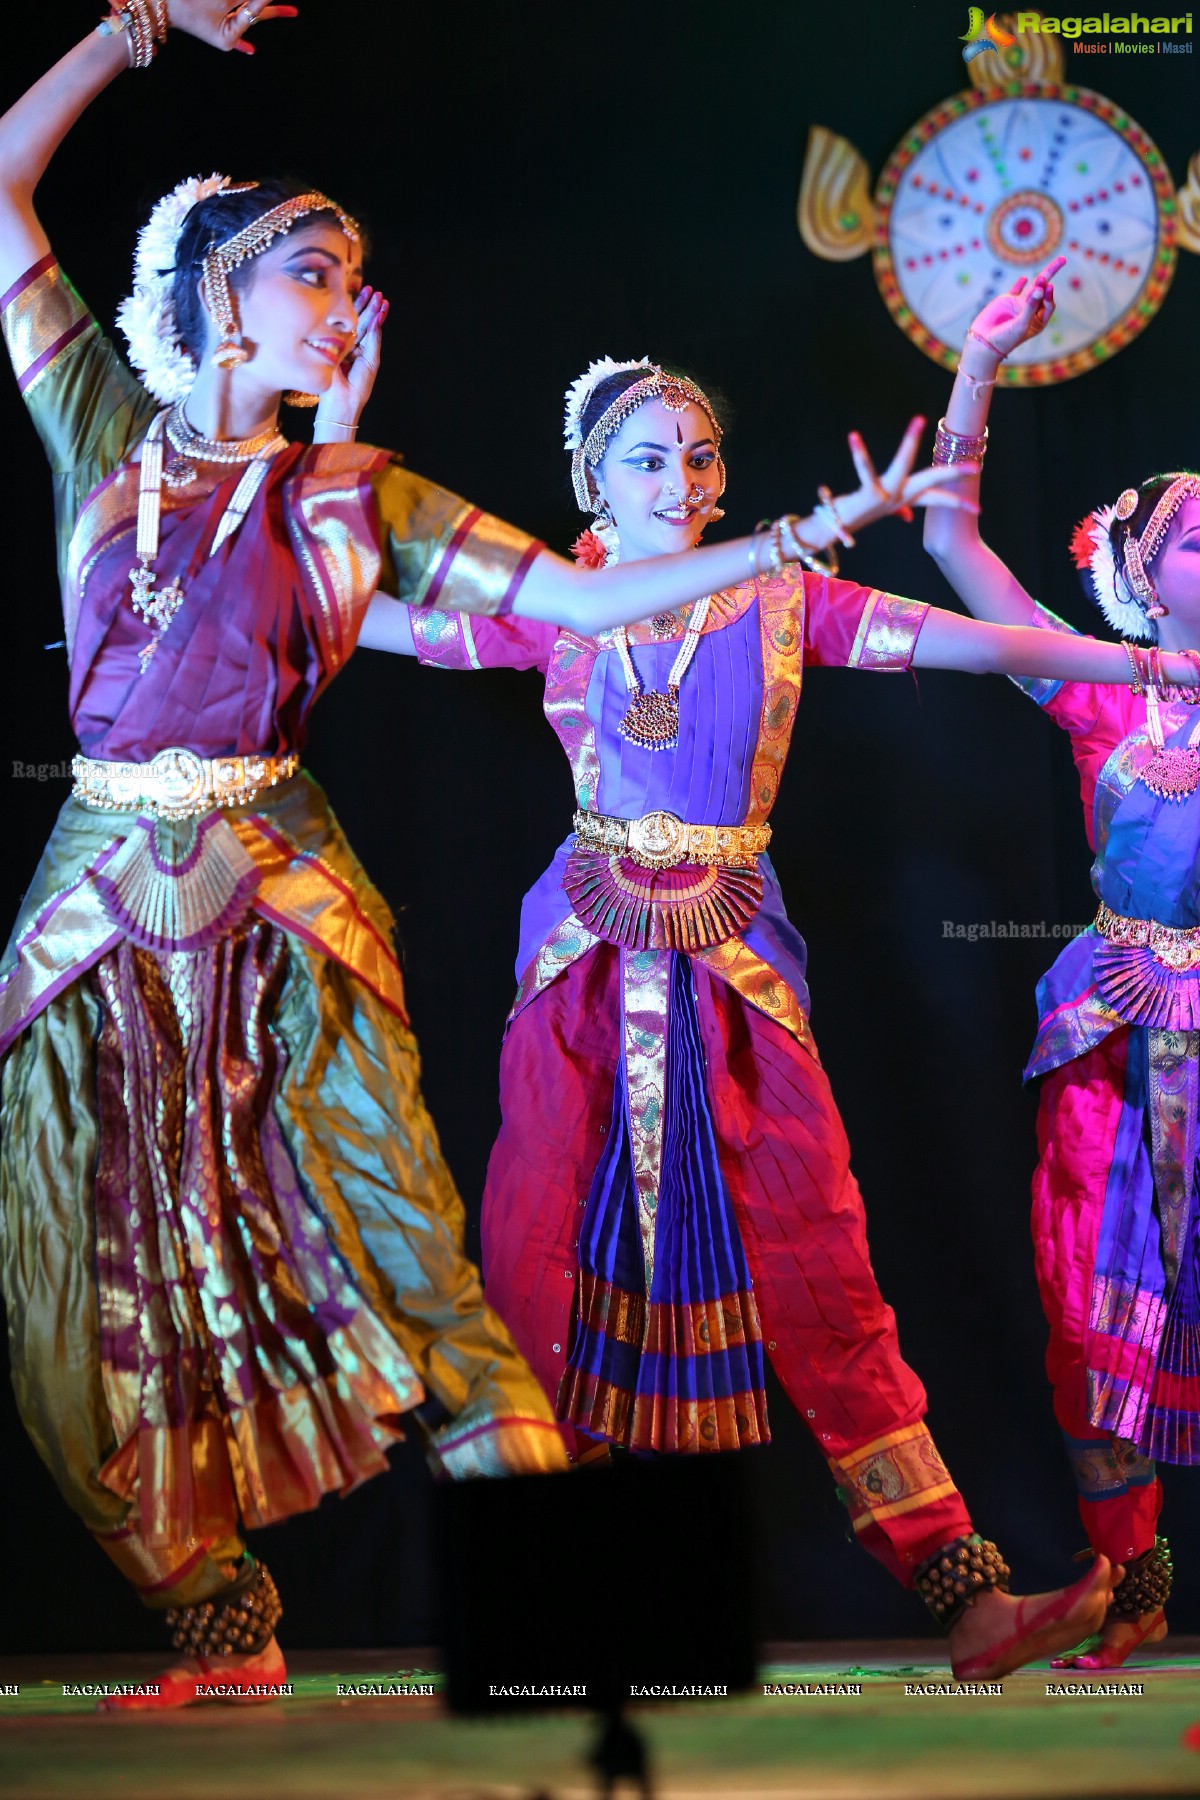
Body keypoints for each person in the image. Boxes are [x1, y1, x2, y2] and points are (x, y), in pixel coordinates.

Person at [0, 2, 928, 1708]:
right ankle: (221, 1620)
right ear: (218, 292)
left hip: (282, 885)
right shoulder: (92, 425)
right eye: (318, 273)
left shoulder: (356, 492)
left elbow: (578, 596)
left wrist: (787, 544)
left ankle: (580, 1642)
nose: (350, 305)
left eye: (354, 280)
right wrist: (133, 27)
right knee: (65, 1289)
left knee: (427, 1257)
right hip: (90, 900)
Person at [353, 327, 1199, 1676]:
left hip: (740, 971)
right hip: (579, 969)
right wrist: (270, 545)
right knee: (532, 1271)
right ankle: (539, 1614)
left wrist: (1152, 672)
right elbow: (383, 623)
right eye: (647, 457)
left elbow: (971, 643)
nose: (680, 477)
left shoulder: (786, 600)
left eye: (699, 455)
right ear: (592, 478)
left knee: (823, 1267)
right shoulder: (551, 603)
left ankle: (965, 1591)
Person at [925, 255, 1187, 1668]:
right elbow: (958, 554)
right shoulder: (1107, 692)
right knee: (1089, 1301)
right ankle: (1131, 1583)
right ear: (1140, 574)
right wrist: (977, 367)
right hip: (1116, 1030)